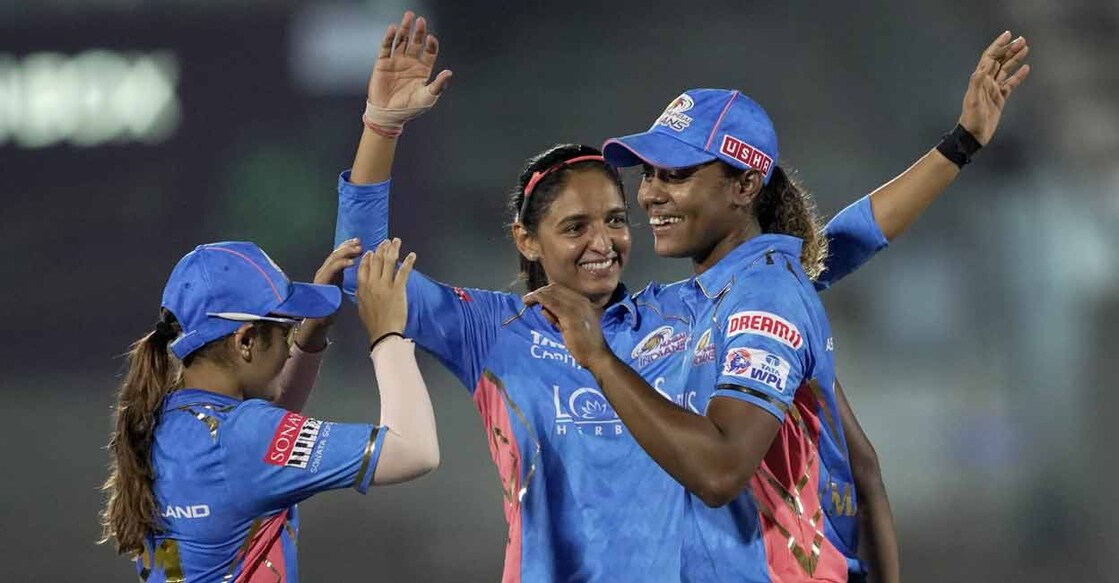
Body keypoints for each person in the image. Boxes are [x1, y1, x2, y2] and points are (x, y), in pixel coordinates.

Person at [332, 11, 991, 581]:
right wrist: (381, 129)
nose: (605, 240)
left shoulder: (674, 317)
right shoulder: (495, 330)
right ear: (525, 241)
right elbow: (363, 270)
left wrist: (955, 149)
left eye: (616, 219)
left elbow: (823, 249)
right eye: (574, 227)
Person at [526, 32, 1029, 581]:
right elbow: (849, 241)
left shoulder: (764, 297)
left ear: (745, 186)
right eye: (648, 174)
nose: (648, 193)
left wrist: (599, 358)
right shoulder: (729, 290)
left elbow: (720, 471)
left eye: (676, 174)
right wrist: (960, 144)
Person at [98, 238, 439, 581]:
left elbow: (260, 443)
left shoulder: (161, 417)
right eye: (285, 333)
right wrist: (388, 334)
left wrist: (311, 333)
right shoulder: (244, 436)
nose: (289, 349)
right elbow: (414, 450)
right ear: (245, 341)